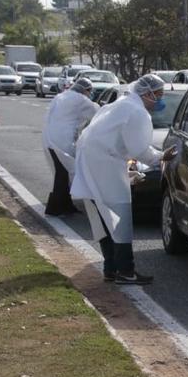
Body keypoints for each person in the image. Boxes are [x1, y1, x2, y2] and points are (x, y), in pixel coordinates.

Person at [70, 74, 166, 285]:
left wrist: (126, 171)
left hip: (94, 161)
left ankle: (111, 269)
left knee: (103, 217)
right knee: (119, 216)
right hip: (105, 164)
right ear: (147, 93)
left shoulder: (121, 104)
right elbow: (139, 149)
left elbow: (116, 141)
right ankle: (125, 271)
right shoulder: (137, 111)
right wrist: (160, 157)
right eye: (158, 95)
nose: (160, 100)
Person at [43, 78, 99, 216]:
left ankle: (66, 205)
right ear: (86, 90)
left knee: (62, 172)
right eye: (90, 91)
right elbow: (97, 114)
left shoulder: (62, 96)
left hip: (49, 137)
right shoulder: (81, 100)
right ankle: (55, 208)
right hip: (64, 141)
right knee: (64, 173)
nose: (90, 94)